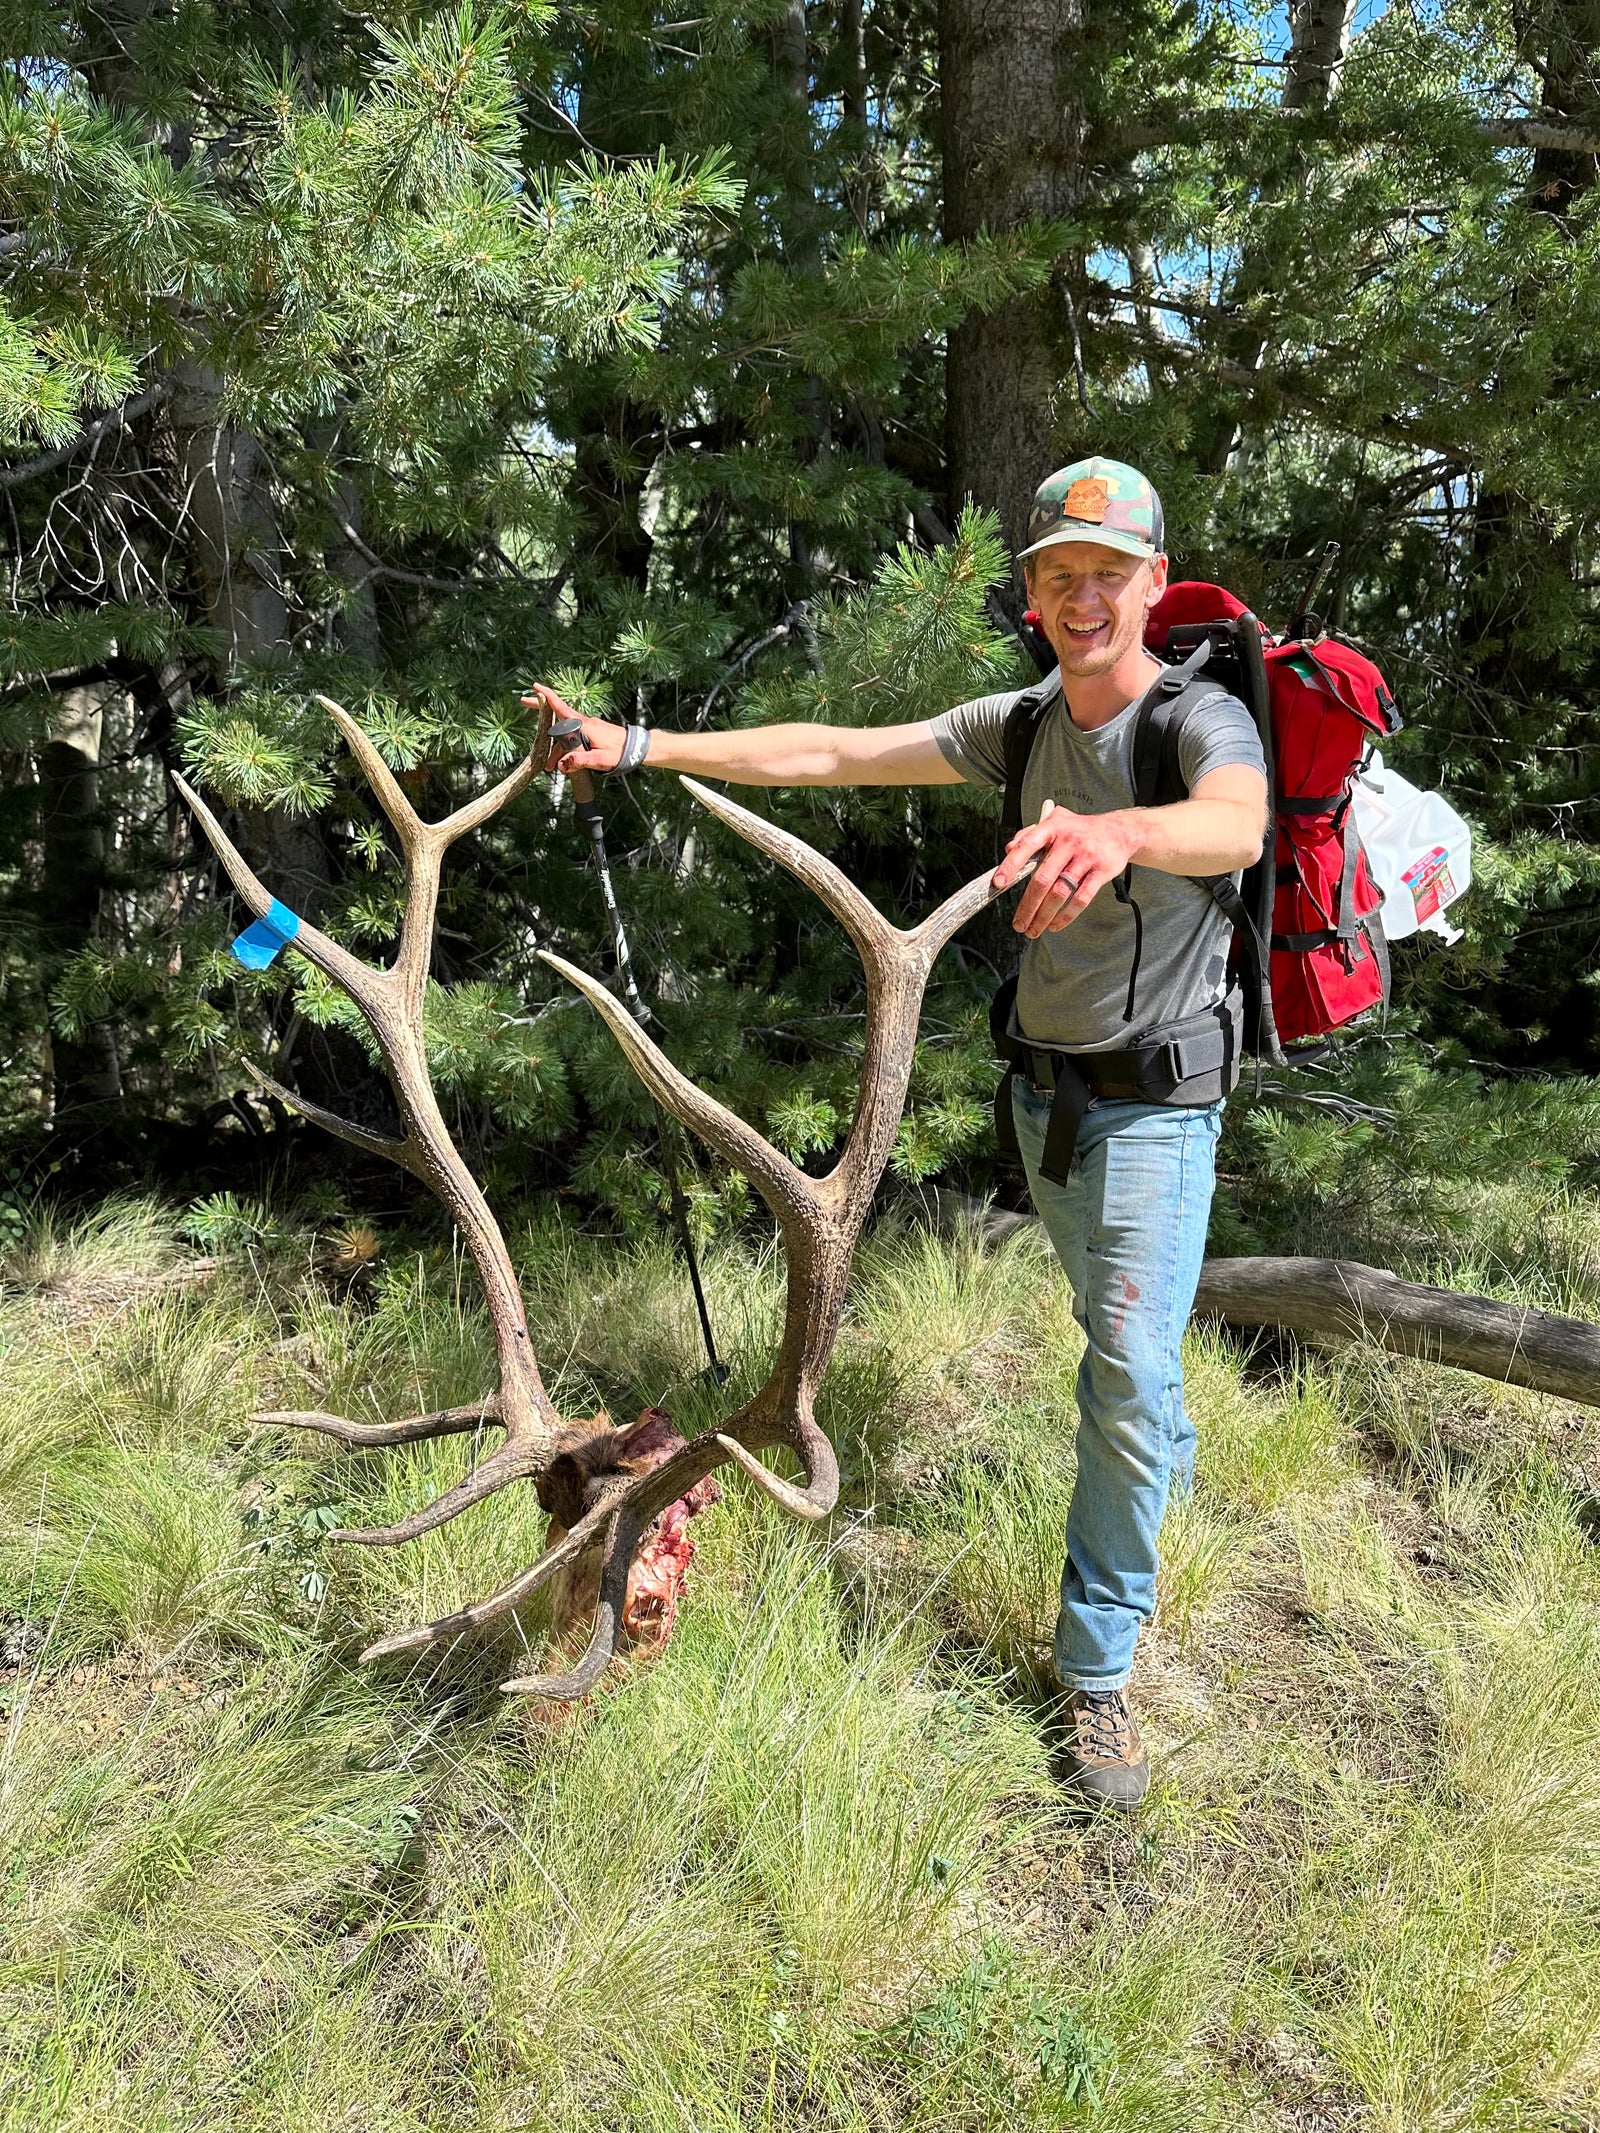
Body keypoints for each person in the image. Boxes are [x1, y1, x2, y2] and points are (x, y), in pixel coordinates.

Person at [525, 458, 1268, 1808]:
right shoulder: (1024, 720)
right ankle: (1154, 1481)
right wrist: (638, 746)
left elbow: (1236, 822)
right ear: (1034, 595)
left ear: (1154, 583)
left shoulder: (1197, 718)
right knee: (1134, 1369)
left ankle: (1097, 1676)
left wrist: (1117, 834)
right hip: (1045, 1104)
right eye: (1059, 576)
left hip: (1160, 1106)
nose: (1084, 597)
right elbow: (838, 753)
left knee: (1117, 1369)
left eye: (1110, 573)